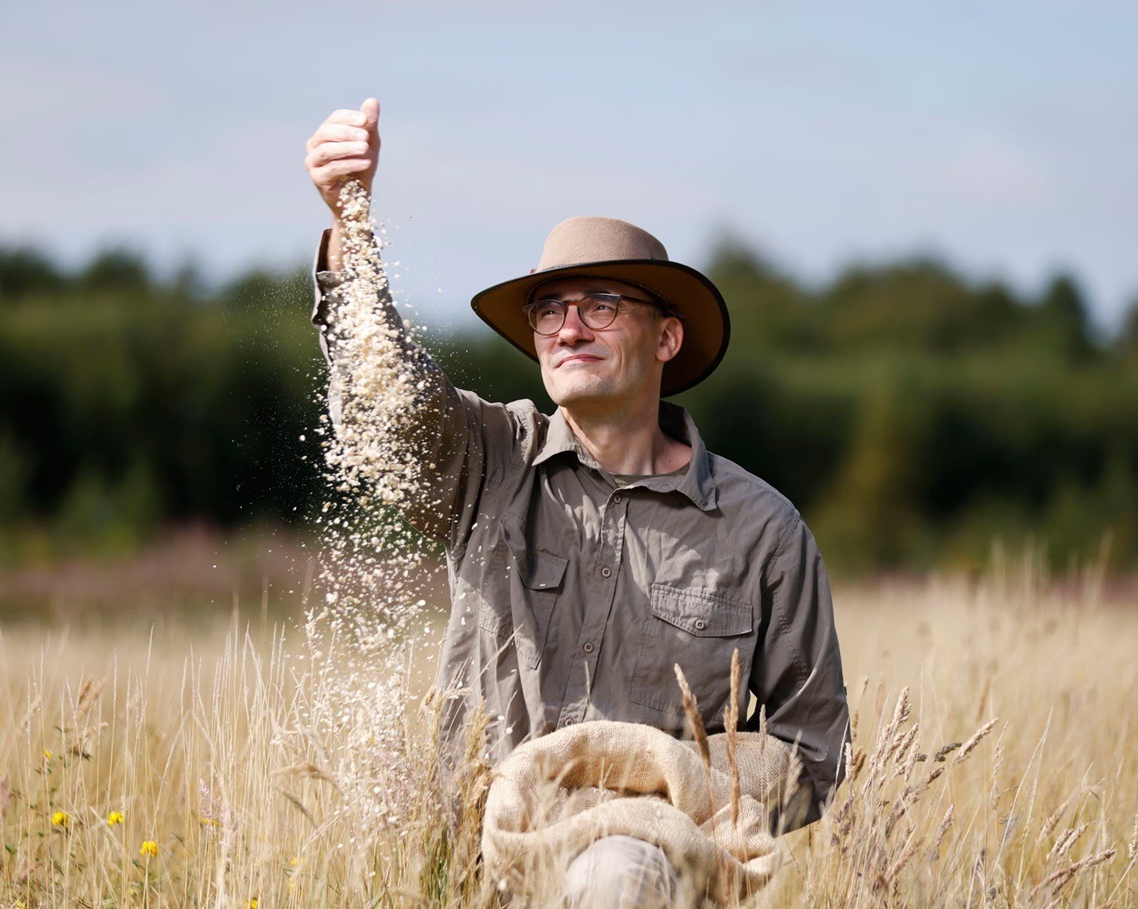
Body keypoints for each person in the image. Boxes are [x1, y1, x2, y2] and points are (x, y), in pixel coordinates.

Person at [305, 98, 849, 908]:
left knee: (619, 874)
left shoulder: (762, 529)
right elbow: (388, 402)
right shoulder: (488, 460)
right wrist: (350, 223)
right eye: (550, 311)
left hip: (657, 877)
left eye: (601, 305)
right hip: (482, 866)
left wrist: (668, 789)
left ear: (666, 338)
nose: (568, 329)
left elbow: (813, 747)